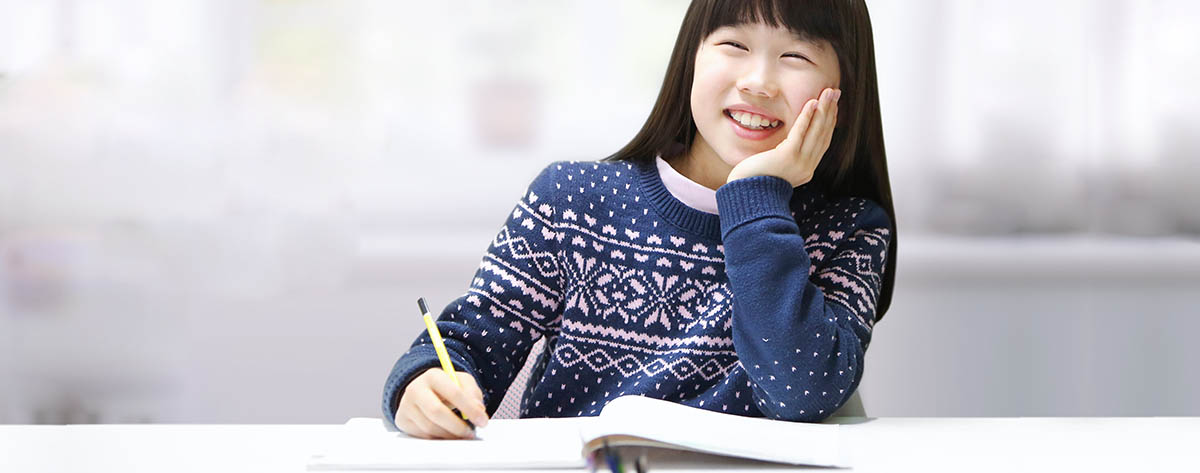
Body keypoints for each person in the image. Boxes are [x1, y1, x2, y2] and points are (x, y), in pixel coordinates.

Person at [383, 0, 897, 440]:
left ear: (843, 92)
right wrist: (422, 382)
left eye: (796, 56)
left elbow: (801, 391)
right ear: (689, 60)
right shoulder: (572, 199)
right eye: (734, 46)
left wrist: (756, 198)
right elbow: (470, 342)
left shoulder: (849, 228)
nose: (758, 82)